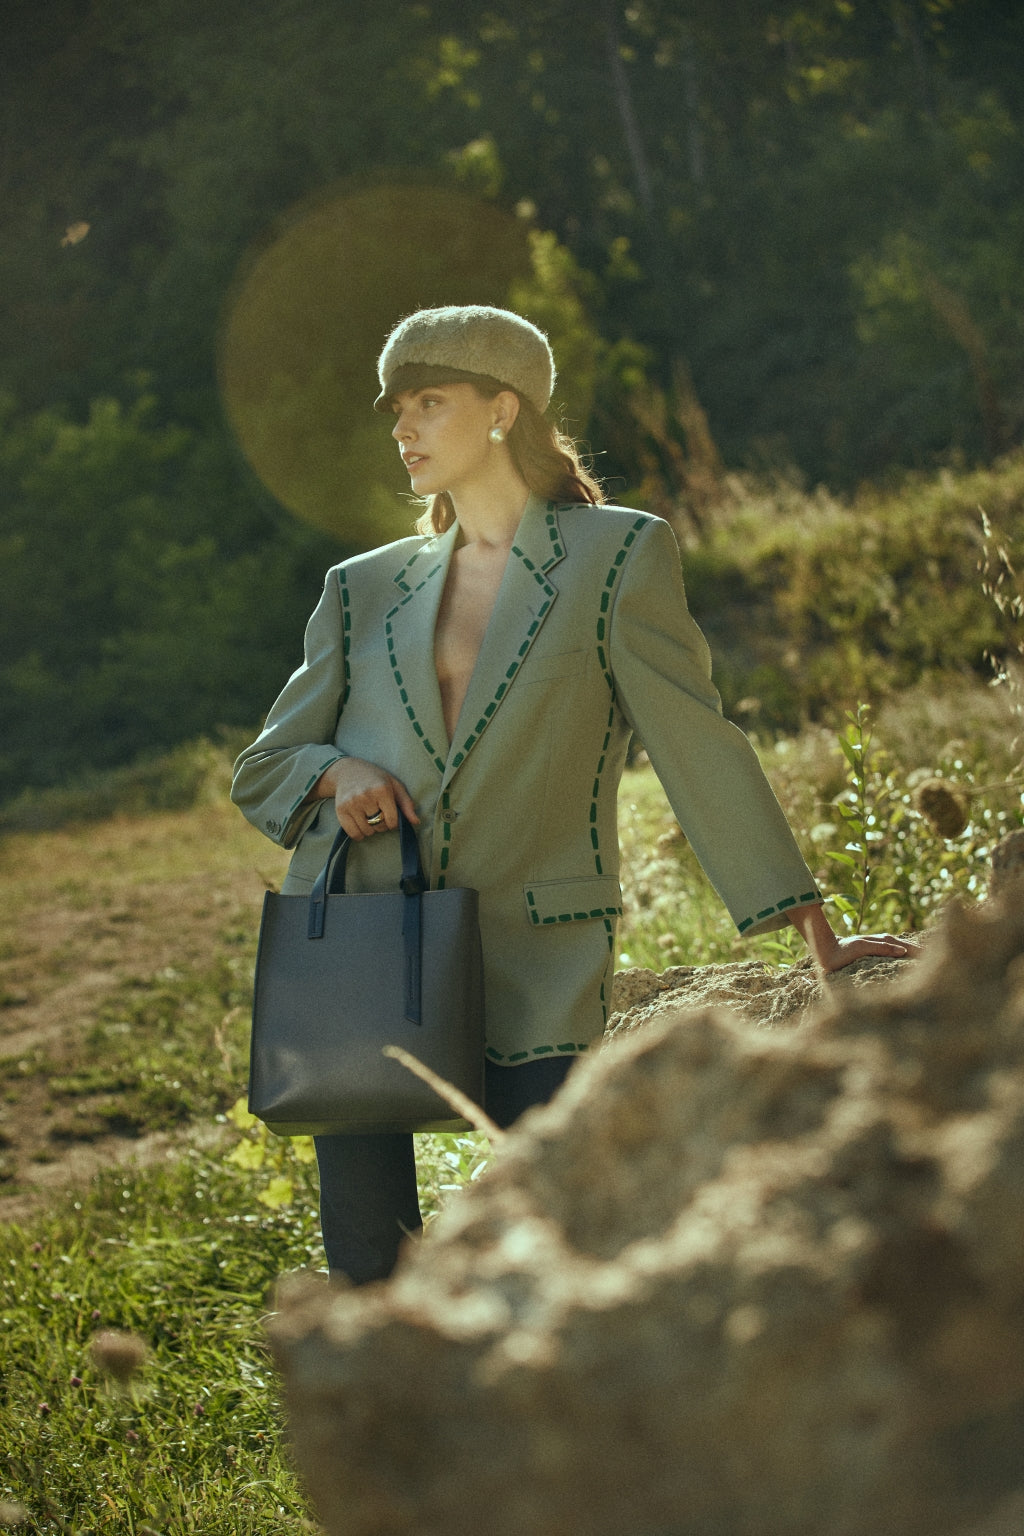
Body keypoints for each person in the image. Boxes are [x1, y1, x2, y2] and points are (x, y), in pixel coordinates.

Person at [231, 304, 916, 1285]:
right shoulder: (361, 586)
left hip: (537, 951)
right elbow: (265, 765)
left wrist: (812, 934)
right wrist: (335, 772)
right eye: (397, 408)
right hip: (364, 948)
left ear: (504, 410)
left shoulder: (615, 557)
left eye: (431, 402)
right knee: (368, 1260)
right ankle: (405, 1421)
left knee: (568, 1238)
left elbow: (699, 746)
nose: (403, 429)